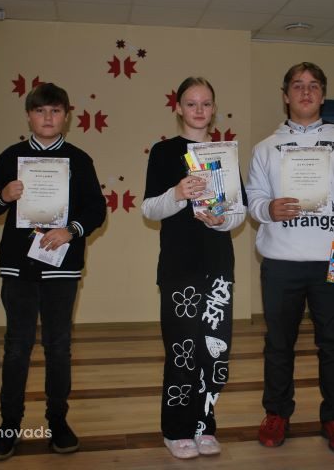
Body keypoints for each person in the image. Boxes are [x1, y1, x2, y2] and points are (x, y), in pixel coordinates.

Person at [247, 62, 334, 454]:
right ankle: (276, 413)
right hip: (280, 259)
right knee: (278, 343)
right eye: (298, 86)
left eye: (314, 85)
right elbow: (254, 200)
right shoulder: (265, 148)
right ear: (285, 95)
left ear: (323, 95)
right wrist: (268, 209)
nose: (306, 92)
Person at [0, 83, 107, 461]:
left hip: (61, 267)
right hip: (18, 266)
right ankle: (9, 424)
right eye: (40, 111)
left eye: (55, 111)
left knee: (58, 347)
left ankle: (58, 422)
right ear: (29, 116)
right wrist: (4, 195)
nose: (48, 118)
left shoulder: (79, 160)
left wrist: (71, 230)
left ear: (66, 116)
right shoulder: (11, 157)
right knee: (16, 347)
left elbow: (96, 210)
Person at [141, 76, 247, 460]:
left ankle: (204, 426)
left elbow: (239, 211)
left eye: (205, 103)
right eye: (191, 103)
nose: (198, 110)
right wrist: (177, 193)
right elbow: (149, 209)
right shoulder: (164, 152)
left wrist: (222, 220)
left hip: (218, 266)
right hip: (179, 268)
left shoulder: (224, 152)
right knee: (183, 352)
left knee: (214, 354)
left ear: (213, 109)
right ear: (179, 108)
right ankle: (176, 429)